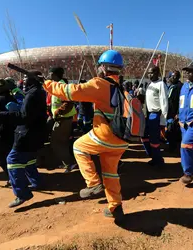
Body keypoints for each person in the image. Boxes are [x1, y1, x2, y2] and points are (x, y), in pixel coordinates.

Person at [43, 50, 128, 220]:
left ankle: (93, 184)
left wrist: (48, 84)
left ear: (103, 68)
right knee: (110, 174)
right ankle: (115, 208)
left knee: (78, 147)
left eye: (99, 66)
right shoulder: (121, 88)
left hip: (105, 135)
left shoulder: (100, 84)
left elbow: (71, 91)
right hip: (121, 140)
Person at [0, 71, 47, 208]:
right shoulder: (37, 92)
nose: (21, 83)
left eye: (25, 79)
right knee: (28, 159)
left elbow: (24, 116)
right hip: (34, 133)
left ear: (32, 81)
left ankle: (22, 194)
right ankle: (36, 182)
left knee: (12, 161)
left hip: (27, 134)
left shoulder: (32, 94)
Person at [48, 67, 78, 170]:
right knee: (63, 142)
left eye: (50, 73)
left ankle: (69, 163)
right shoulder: (57, 85)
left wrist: (58, 112)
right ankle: (68, 162)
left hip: (63, 119)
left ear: (54, 74)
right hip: (63, 118)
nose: (49, 75)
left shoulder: (61, 86)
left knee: (56, 142)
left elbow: (68, 103)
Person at [0, 79, 17, 186]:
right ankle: (14, 176)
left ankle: (13, 177)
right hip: (10, 131)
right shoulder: (9, 98)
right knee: (8, 154)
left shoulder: (1, 99)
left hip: (2, 132)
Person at [140, 66, 168, 167]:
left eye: (152, 73)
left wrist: (163, 120)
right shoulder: (149, 85)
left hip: (156, 115)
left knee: (154, 139)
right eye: (148, 73)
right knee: (143, 136)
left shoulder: (161, 84)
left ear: (157, 73)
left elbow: (164, 102)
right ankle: (153, 155)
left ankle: (158, 160)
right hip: (148, 114)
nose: (150, 75)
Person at [166, 70, 182, 152]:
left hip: (175, 113)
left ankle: (175, 148)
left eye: (175, 76)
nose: (172, 78)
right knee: (170, 129)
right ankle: (171, 146)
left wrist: (178, 113)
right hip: (169, 112)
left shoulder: (179, 87)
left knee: (173, 130)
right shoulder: (170, 86)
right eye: (171, 76)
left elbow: (181, 101)